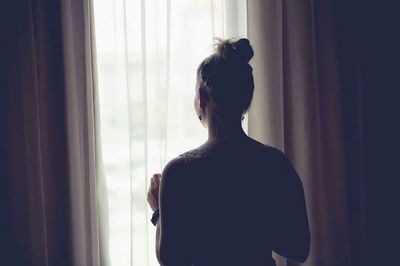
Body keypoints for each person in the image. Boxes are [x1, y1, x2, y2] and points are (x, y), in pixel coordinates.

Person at [147, 38, 310, 266]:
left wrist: (159, 213)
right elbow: (299, 248)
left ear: (202, 96)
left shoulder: (181, 172)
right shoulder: (275, 164)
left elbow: (172, 261)